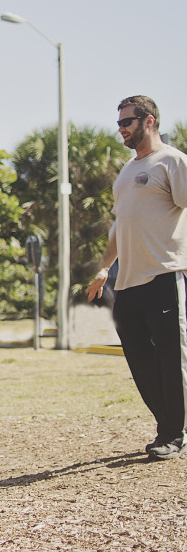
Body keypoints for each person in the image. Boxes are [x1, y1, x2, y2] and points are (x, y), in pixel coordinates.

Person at [87, 95, 187, 461]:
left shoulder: (173, 161)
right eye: (119, 123)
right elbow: (120, 224)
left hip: (164, 274)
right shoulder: (126, 172)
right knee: (140, 359)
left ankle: (173, 433)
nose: (120, 129)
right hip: (126, 281)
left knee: (171, 358)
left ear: (149, 121)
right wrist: (104, 267)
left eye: (126, 122)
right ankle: (171, 423)